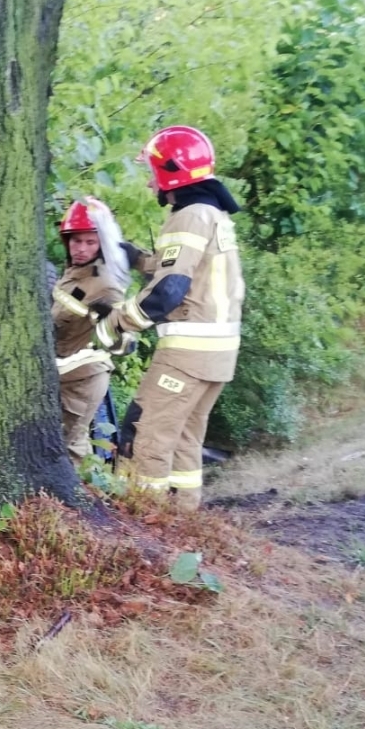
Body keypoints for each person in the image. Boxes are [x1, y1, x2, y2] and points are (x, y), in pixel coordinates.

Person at [91, 125, 245, 509]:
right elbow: (182, 274)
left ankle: (142, 520)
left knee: (146, 435)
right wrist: (135, 256)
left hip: (187, 356)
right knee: (184, 440)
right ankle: (182, 519)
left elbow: (169, 291)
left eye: (153, 173)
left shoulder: (189, 216)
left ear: (171, 172)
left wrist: (117, 322)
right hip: (218, 355)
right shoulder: (212, 216)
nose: (149, 183)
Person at [51, 199, 129, 465]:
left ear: (102, 245)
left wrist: (112, 324)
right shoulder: (73, 274)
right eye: (76, 241)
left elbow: (123, 343)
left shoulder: (106, 285)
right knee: (75, 444)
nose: (81, 249)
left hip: (83, 381)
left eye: (90, 242)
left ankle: (74, 505)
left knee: (66, 449)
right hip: (63, 376)